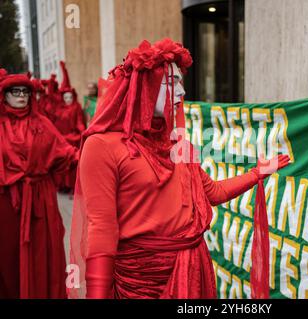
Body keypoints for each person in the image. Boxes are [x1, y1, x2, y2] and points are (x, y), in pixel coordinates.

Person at [69, 38, 291, 299]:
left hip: (192, 270)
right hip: (140, 282)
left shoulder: (178, 144)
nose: (182, 93)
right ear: (145, 86)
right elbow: (101, 229)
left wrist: (257, 173)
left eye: (181, 83)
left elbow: (213, 192)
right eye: (172, 83)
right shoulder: (101, 146)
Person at [0, 69, 78, 298]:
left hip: (40, 202)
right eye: (15, 91)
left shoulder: (42, 123)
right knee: (8, 256)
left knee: (41, 254)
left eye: (25, 91)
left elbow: (66, 154)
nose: (21, 95)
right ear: (4, 95)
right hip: (6, 204)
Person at [52, 61, 86, 193]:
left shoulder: (76, 107)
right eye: (65, 97)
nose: (68, 99)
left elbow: (79, 121)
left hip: (73, 138)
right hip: (62, 139)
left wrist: (83, 130)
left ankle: (73, 186)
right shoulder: (59, 109)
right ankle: (63, 185)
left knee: (73, 163)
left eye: (70, 97)